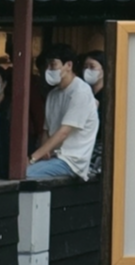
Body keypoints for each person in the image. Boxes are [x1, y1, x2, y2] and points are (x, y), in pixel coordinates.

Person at [27, 42, 98, 180]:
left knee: (26, 174)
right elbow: (46, 130)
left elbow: (63, 132)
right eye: (47, 66)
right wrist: (43, 153)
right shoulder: (53, 94)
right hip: (53, 158)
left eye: (53, 65)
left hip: (71, 161)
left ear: (69, 65)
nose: (48, 70)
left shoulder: (81, 92)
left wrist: (33, 158)